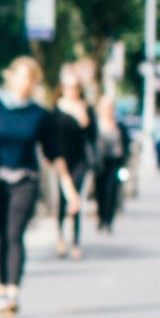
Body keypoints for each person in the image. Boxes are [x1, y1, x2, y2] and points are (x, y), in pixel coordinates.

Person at [0, 56, 64, 318]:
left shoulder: (39, 114)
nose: (25, 84)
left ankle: (13, 290)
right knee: (0, 234)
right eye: (21, 77)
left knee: (15, 234)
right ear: (11, 77)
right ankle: (1, 287)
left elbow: (52, 152)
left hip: (25, 180)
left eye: (31, 79)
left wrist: (69, 189)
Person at [53, 65, 97, 258]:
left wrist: (84, 117)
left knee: (76, 200)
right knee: (61, 201)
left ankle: (76, 241)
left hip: (79, 159)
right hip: (60, 159)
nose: (73, 91)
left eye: (76, 87)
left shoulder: (85, 108)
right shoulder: (57, 109)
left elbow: (92, 135)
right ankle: (60, 238)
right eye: (69, 87)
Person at [93, 95, 127, 234]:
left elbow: (125, 144)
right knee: (100, 191)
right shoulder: (96, 124)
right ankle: (101, 217)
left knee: (112, 191)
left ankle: (109, 220)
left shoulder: (119, 125)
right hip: (100, 162)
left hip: (115, 162)